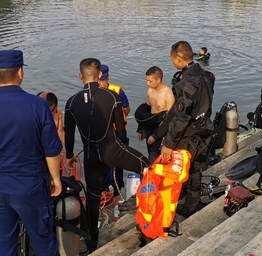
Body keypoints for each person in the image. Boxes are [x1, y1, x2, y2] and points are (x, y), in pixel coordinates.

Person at [0, 50, 63, 256]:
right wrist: (55, 178)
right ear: (20, 73)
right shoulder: (38, 105)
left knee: (4, 249)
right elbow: (52, 149)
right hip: (31, 185)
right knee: (45, 244)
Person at [64, 58, 150, 252]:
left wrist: (69, 155)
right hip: (112, 149)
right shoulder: (112, 96)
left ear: (80, 76)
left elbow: (69, 136)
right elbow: (120, 131)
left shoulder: (71, 102)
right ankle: (149, 218)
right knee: (148, 168)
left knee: (93, 199)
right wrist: (122, 150)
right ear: (99, 75)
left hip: (90, 156)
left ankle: (92, 243)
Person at [160, 41, 215, 217]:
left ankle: (189, 204)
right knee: (196, 167)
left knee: (186, 168)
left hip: (190, 134)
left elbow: (182, 116)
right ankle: (191, 200)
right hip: (205, 127)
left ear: (178, 58)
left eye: (172, 59)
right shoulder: (207, 76)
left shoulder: (186, 83)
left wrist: (168, 143)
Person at [98, 64, 129, 191]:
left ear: (107, 79)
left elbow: (126, 109)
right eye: (98, 80)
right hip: (102, 133)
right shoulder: (93, 91)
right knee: (103, 162)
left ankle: (117, 187)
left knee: (117, 162)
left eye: (102, 80)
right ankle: (104, 187)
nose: (100, 83)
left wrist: (117, 118)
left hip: (117, 131)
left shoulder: (118, 91)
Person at [136, 66, 175, 161]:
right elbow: (146, 109)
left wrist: (156, 136)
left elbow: (171, 120)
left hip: (161, 128)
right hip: (150, 124)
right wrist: (140, 129)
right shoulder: (150, 90)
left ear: (158, 79)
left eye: (150, 81)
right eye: (147, 80)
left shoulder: (168, 94)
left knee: (154, 157)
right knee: (150, 153)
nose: (147, 83)